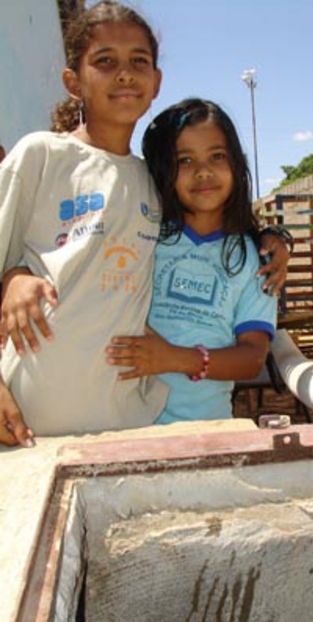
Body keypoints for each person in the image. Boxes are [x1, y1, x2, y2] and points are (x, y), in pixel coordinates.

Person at [0, 2, 289, 446]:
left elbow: (211, 220)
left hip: (122, 427)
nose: (124, 74)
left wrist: (273, 237)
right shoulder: (40, 156)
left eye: (139, 61)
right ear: (73, 82)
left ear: (156, 83)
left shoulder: (152, 186)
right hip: (24, 424)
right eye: (105, 61)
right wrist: (12, 277)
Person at [106, 99, 277, 422]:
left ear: (237, 164)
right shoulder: (143, 234)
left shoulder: (253, 258)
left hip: (204, 429)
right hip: (123, 426)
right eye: (184, 160)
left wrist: (175, 359)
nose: (203, 171)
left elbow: (252, 357)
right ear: (163, 169)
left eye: (217, 156)